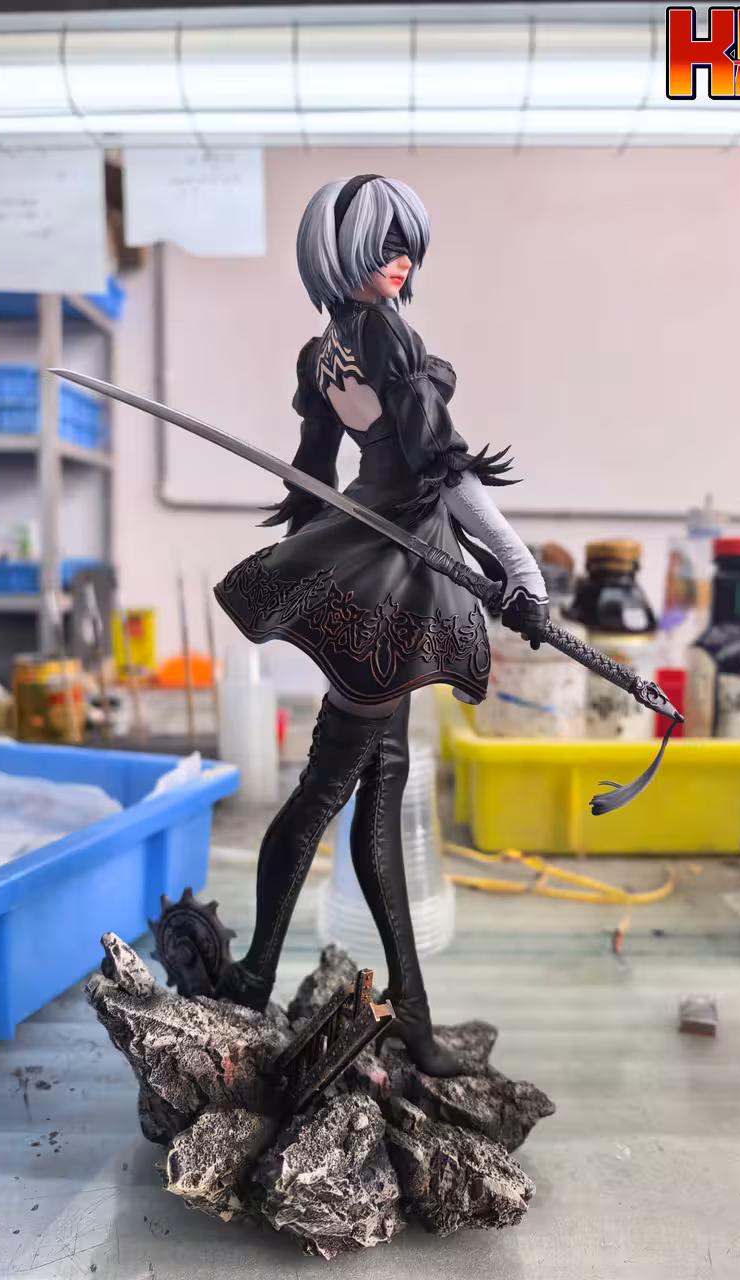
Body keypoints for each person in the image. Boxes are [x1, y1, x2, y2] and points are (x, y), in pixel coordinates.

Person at [214, 174, 549, 1076]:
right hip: (391, 571)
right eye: (382, 246)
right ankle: (255, 980)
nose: (399, 261)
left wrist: (482, 564)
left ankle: (407, 1011)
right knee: (331, 789)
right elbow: (443, 469)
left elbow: (318, 474)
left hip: (384, 550)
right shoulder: (382, 333)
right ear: (338, 254)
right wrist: (517, 567)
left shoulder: (321, 350)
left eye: (407, 246)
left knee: (378, 788)